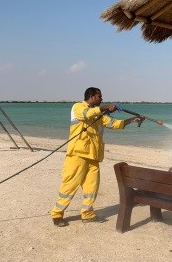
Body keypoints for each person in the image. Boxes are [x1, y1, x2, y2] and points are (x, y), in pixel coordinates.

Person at [50, 87, 142, 227]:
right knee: (70, 185)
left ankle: (87, 214)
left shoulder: (100, 115)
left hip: (93, 156)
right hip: (77, 155)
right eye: (100, 97)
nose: (101, 100)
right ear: (92, 97)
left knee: (91, 187)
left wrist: (132, 120)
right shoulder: (78, 107)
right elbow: (87, 114)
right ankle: (57, 214)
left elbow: (115, 124)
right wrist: (106, 107)